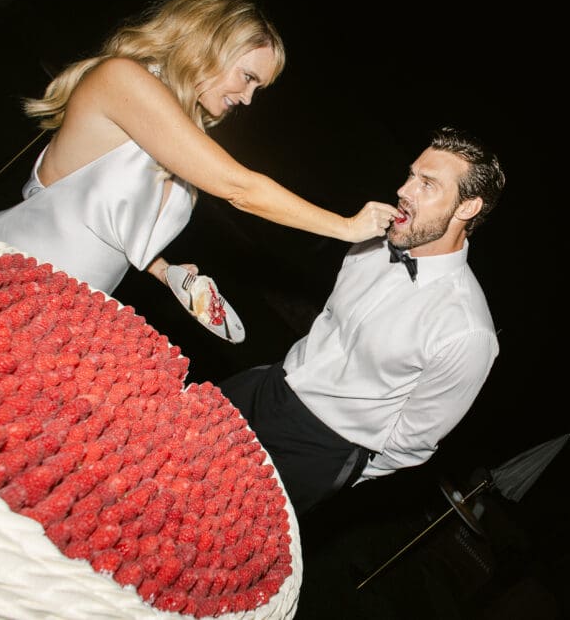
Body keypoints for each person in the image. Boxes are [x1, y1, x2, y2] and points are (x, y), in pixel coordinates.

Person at [0, 0, 396, 295]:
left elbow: (105, 227)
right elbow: (240, 188)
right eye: (247, 78)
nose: (246, 98)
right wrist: (346, 227)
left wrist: (164, 272)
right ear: (209, 45)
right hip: (1, 279)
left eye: (257, 89)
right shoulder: (122, 79)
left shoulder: (175, 133)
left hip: (66, 307)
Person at [217, 126, 506, 516]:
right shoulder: (370, 243)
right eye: (410, 175)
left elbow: (413, 440)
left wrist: (341, 469)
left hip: (315, 450)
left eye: (427, 184)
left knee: (213, 537)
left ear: (466, 208)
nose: (405, 189)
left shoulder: (467, 331)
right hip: (269, 385)